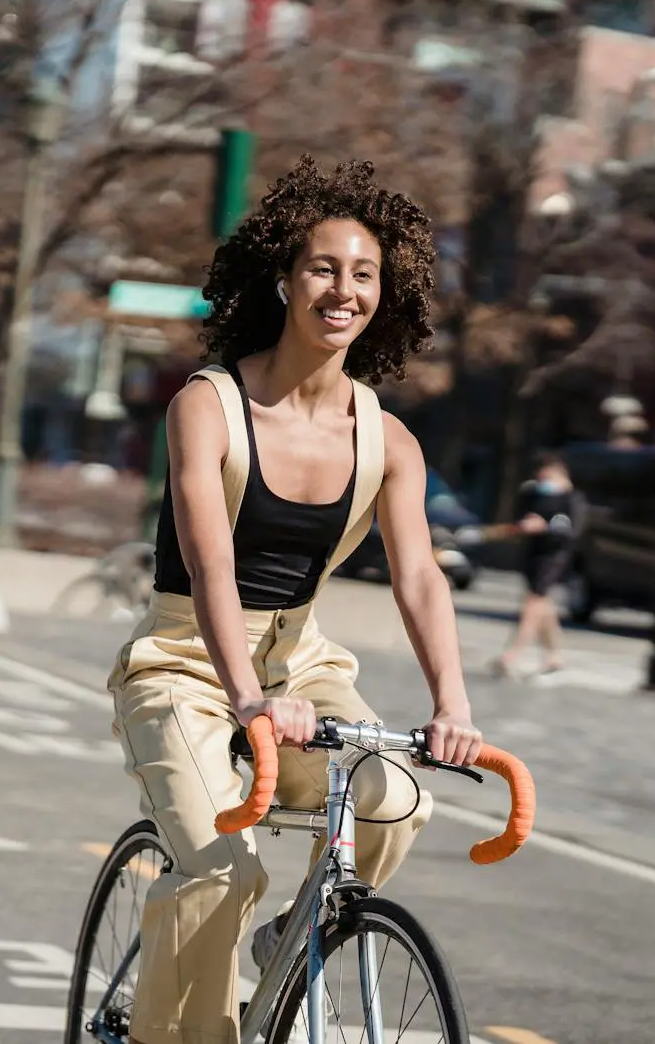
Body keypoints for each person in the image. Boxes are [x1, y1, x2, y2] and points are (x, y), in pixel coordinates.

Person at [107, 156, 480, 1044]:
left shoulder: (387, 439)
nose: (343, 290)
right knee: (222, 870)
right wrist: (246, 697)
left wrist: (452, 701)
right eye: (323, 268)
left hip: (301, 664)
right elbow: (207, 562)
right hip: (188, 662)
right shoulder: (209, 404)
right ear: (283, 277)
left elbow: (418, 574)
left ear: (384, 294)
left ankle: (299, 937)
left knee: (395, 798)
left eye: (364, 274)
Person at [491, 452, 585, 679]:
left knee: (533, 603)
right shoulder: (533, 493)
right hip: (533, 553)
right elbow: (521, 516)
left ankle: (513, 653)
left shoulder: (572, 499)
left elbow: (573, 530)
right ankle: (554, 656)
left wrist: (546, 527)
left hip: (554, 556)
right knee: (543, 605)